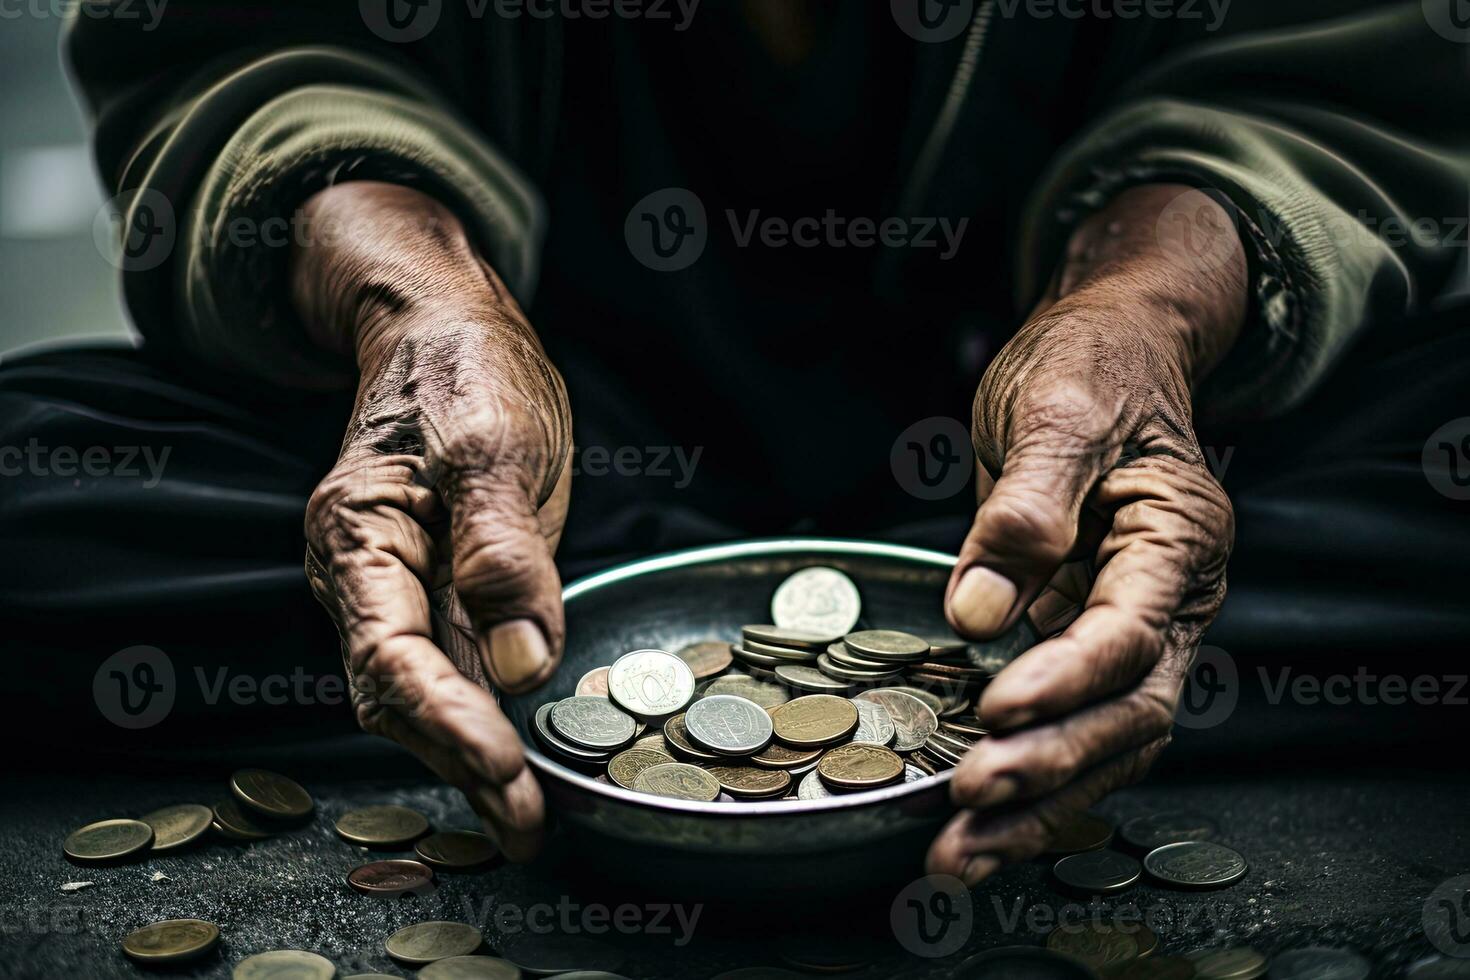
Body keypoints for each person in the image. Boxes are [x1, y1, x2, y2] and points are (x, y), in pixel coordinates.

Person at [5, 0, 1465, 888]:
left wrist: (1143, 317)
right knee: (40, 473)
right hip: (553, 473)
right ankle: (1047, 666)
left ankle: (556, 658)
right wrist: (418, 311)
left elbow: (1321, 73)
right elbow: (252, 49)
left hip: (1081, 466)